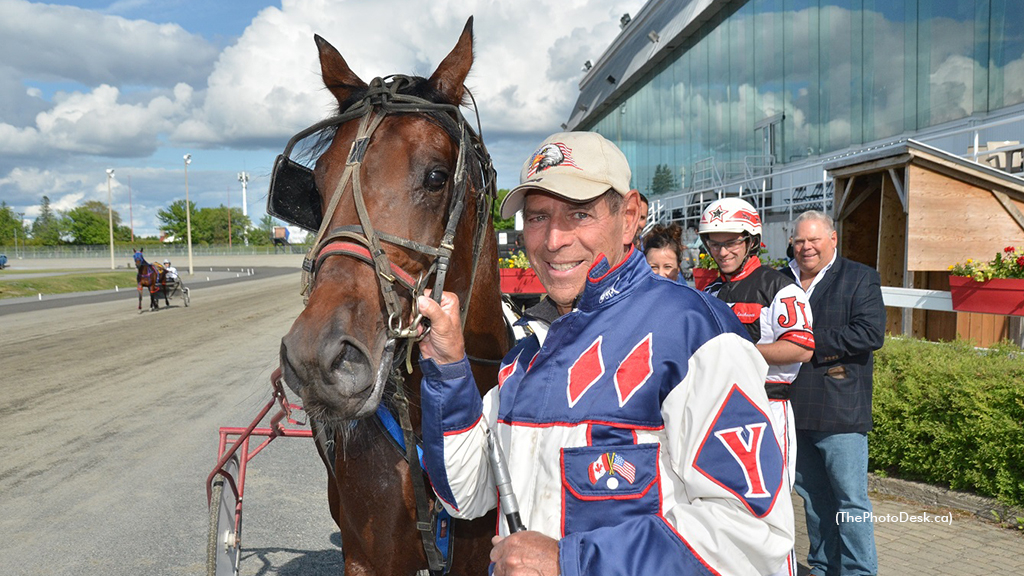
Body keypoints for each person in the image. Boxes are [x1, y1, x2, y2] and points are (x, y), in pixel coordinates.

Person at [416, 131, 793, 576]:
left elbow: (751, 537)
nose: (554, 239)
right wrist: (448, 369)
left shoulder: (691, 331)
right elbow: (464, 495)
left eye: (579, 213)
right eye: (538, 217)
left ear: (629, 215)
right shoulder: (525, 356)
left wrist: (568, 561)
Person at [698, 197, 815, 576]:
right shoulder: (711, 292)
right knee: (727, 503)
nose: (722, 251)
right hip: (718, 410)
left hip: (768, 407)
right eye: (714, 243)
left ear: (752, 241)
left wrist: (739, 351)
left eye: (731, 241)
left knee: (771, 507)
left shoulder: (780, 287)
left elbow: (801, 347)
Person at [782, 210, 885, 576]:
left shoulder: (859, 278)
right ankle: (824, 568)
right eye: (799, 241)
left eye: (814, 240)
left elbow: (870, 334)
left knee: (850, 502)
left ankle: (859, 572)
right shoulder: (780, 280)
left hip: (840, 410)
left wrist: (806, 344)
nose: (806, 248)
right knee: (813, 501)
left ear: (833, 239)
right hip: (792, 409)